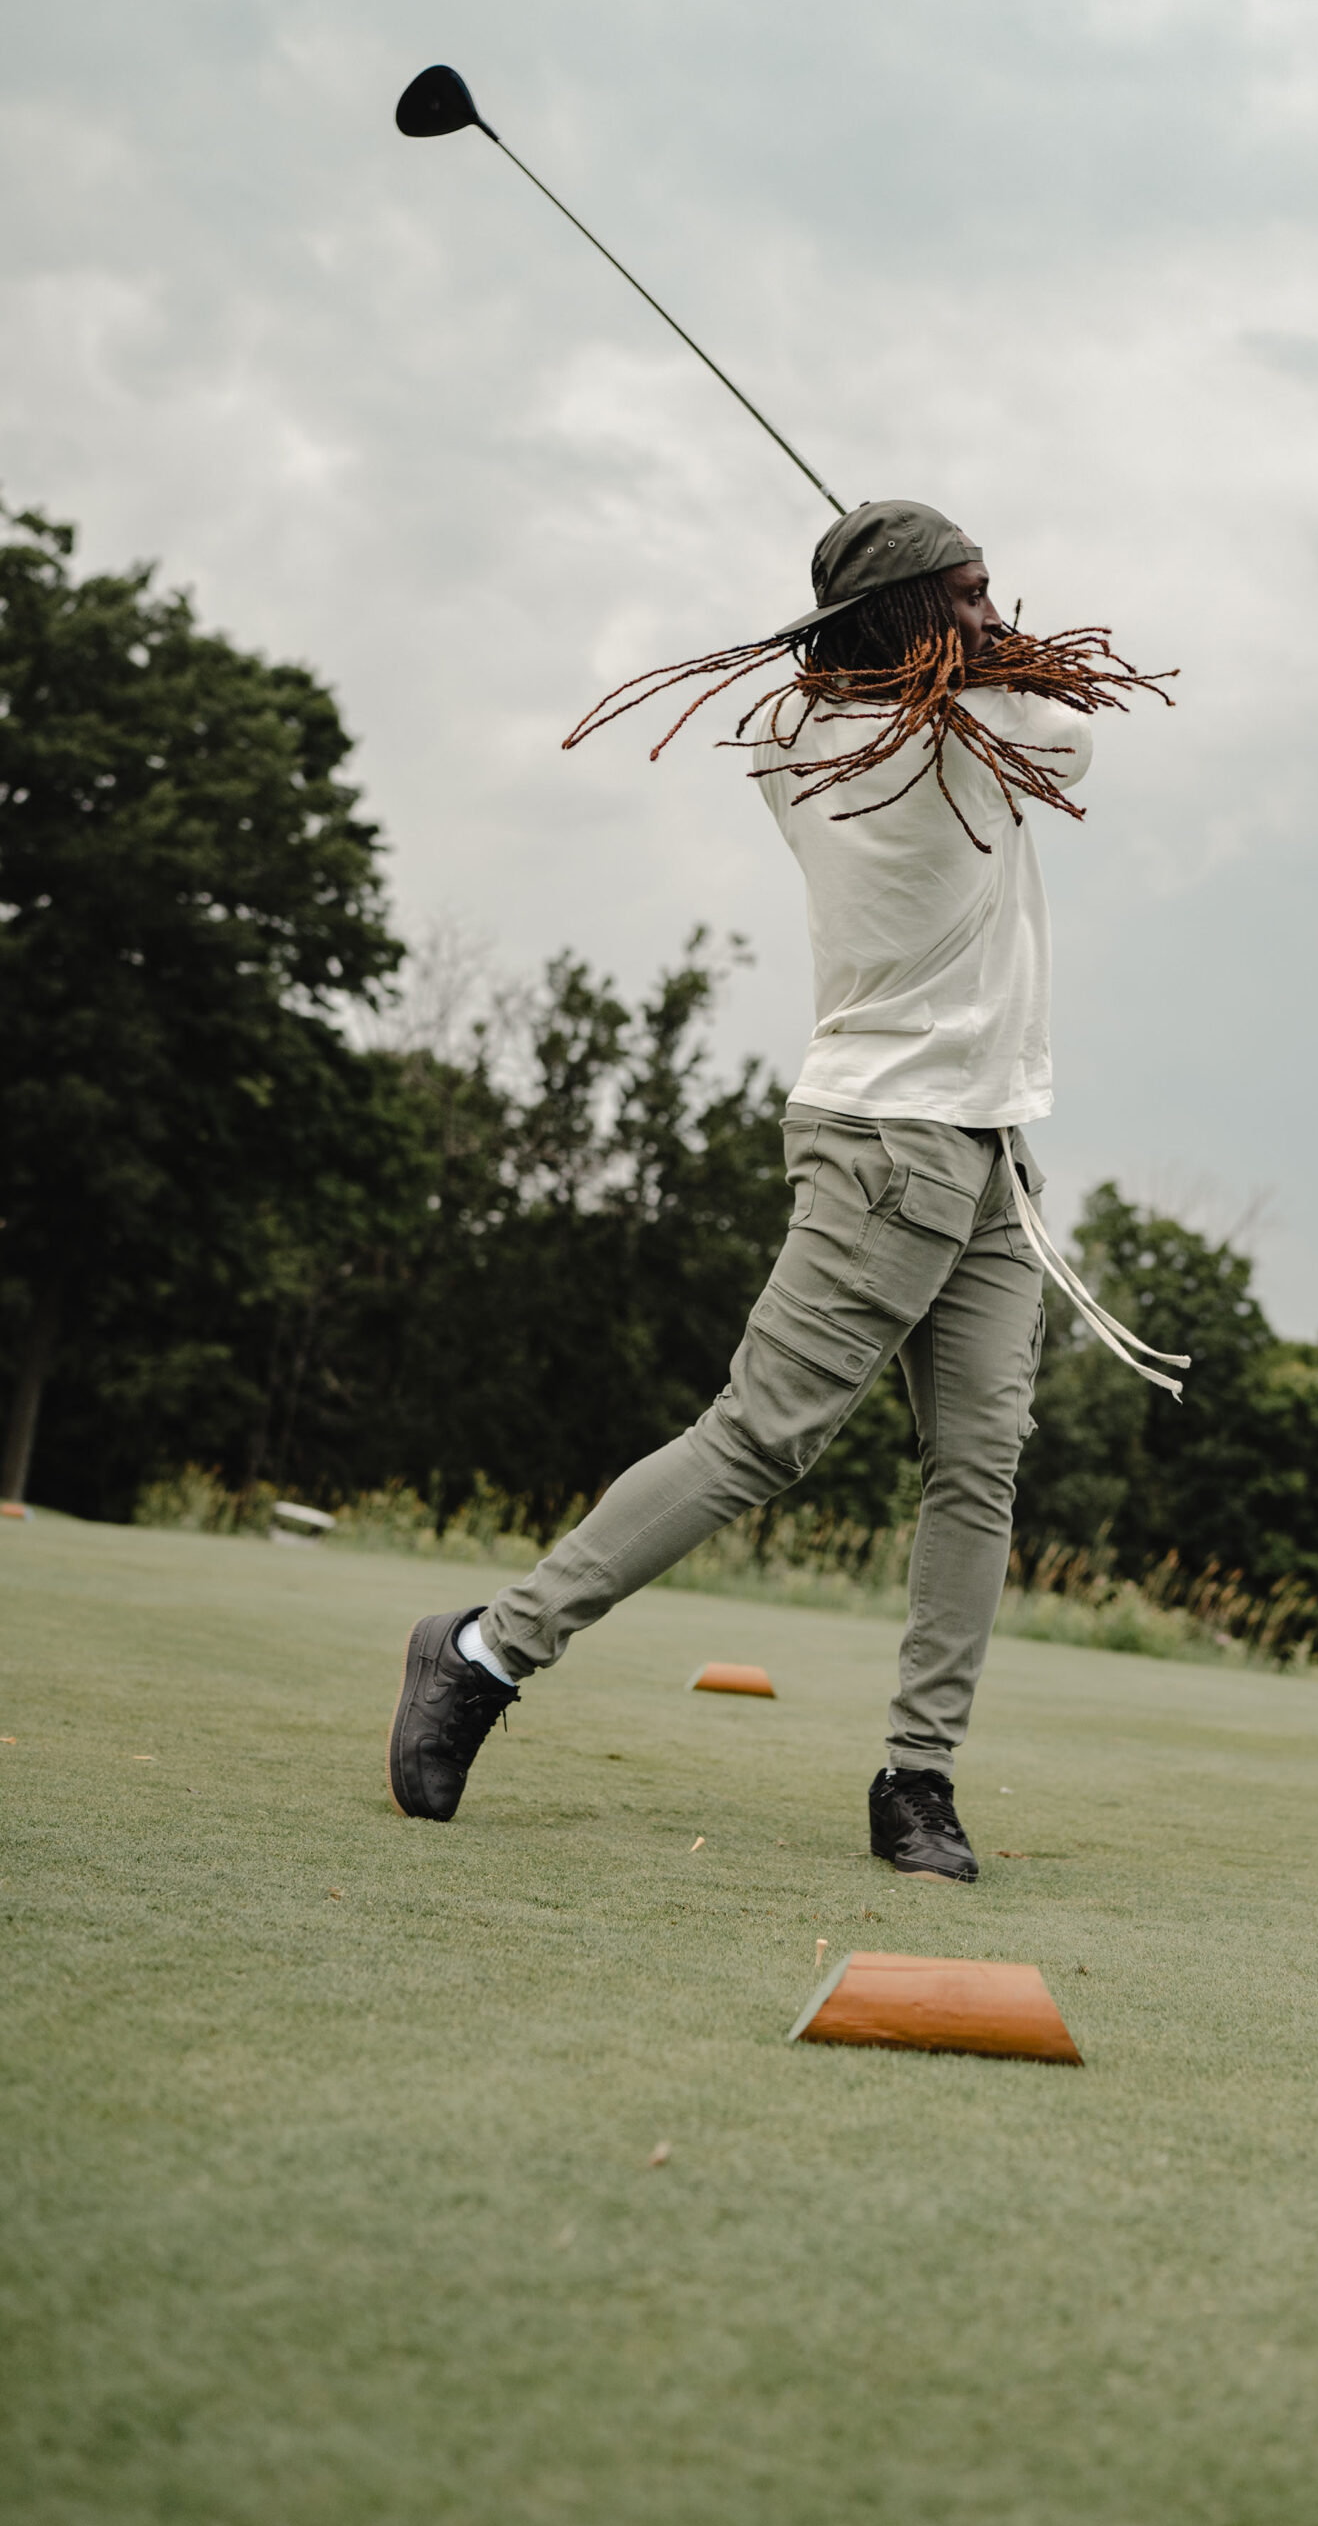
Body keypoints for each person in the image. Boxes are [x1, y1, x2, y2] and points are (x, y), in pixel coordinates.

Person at [386, 499, 1183, 1879]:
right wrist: (975, 648)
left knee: (977, 1470)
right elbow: (1079, 724)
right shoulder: (968, 741)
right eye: (976, 597)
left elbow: (880, 685)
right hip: (893, 1146)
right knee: (762, 1436)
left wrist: (911, 621)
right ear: (911, 629)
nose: (1000, 618)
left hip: (983, 1147)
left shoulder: (791, 738)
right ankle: (486, 1650)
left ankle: (916, 1779)